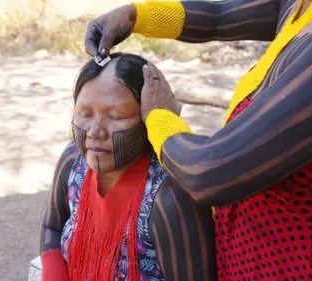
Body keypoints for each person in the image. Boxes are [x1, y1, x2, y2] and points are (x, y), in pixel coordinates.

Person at [85, 0, 312, 280]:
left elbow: (210, 172)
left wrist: (159, 117)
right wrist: (137, 15)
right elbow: (218, 17)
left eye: (116, 116)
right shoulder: (309, 4)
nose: (97, 130)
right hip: (249, 256)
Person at [39, 52, 215, 281]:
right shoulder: (73, 162)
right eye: (84, 114)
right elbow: (51, 228)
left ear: (147, 119)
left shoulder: (169, 197)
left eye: (117, 116)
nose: (95, 132)